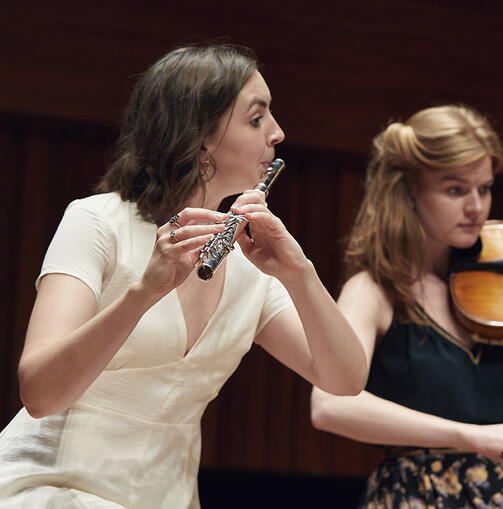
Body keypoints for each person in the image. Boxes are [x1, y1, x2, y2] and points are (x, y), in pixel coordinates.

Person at [0, 43, 367, 508]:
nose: (278, 133)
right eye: (256, 119)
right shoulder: (98, 222)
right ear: (197, 138)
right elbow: (40, 394)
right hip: (54, 489)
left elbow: (345, 379)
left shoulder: (247, 260)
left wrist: (299, 273)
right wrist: (143, 293)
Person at [310, 105, 503, 508]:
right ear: (409, 191)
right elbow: (331, 406)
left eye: (484, 188)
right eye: (455, 190)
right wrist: (474, 437)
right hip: (419, 494)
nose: (476, 207)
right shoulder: (374, 290)